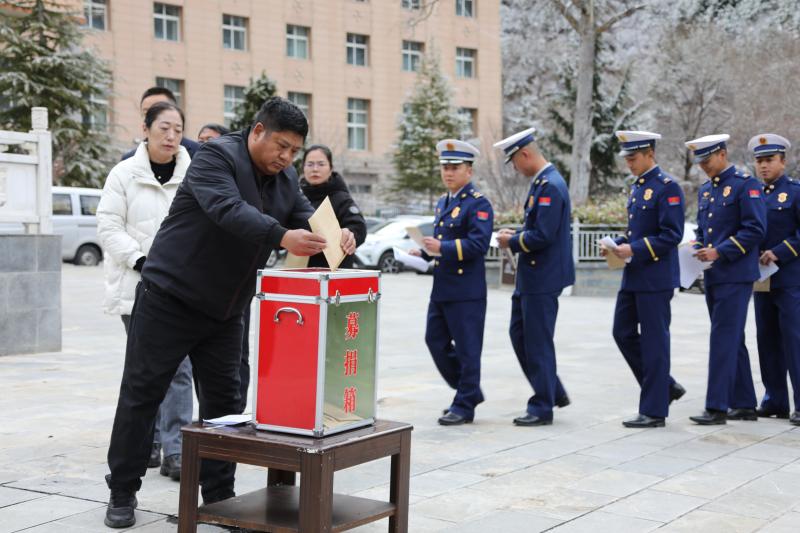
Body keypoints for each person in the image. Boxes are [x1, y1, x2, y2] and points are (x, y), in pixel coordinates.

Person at [103, 97, 357, 528]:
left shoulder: (284, 177)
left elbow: (308, 218)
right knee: (142, 395)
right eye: (281, 145)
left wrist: (341, 237)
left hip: (225, 312)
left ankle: (220, 497)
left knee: (227, 406)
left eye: (294, 150)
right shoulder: (214, 158)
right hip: (169, 299)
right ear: (257, 131)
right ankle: (123, 490)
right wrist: (281, 236)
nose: (286, 157)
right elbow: (227, 210)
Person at [97, 101, 193, 481]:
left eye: (178, 128)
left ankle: (178, 450)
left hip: (183, 289)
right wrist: (140, 261)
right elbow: (107, 226)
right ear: (146, 128)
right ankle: (148, 443)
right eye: (164, 127)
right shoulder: (123, 174)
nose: (171, 136)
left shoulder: (196, 174)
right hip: (136, 286)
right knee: (143, 370)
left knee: (180, 370)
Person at [605, 131, 686, 428]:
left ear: (649, 153)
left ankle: (654, 410)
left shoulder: (668, 188)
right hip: (634, 275)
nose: (629, 164)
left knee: (654, 342)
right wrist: (617, 242)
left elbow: (671, 235)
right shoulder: (638, 188)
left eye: (633, 158)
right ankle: (664, 386)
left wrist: (634, 248)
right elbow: (637, 232)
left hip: (655, 277)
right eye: (626, 158)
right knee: (621, 332)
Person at [409, 139, 493, 425]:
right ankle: (468, 391)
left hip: (466, 290)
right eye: (445, 167)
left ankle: (465, 403)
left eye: (454, 167)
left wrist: (441, 248)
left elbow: (479, 245)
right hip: (442, 287)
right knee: (435, 340)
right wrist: (421, 251)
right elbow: (440, 242)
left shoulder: (478, 204)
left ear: (468, 171)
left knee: (468, 349)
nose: (448, 172)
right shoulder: (445, 201)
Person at [494, 128, 574, 426]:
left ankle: (542, 406)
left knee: (537, 341)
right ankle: (552, 390)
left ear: (525, 154)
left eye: (514, 161)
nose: (515, 168)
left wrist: (511, 242)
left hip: (543, 277)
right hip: (532, 277)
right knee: (520, 335)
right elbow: (537, 228)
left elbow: (543, 234)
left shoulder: (551, 185)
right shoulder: (541, 183)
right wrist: (514, 234)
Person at [686, 134, 765, 425]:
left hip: (736, 274)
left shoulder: (746, 186)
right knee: (732, 338)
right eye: (700, 163)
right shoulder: (707, 191)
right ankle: (744, 403)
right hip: (714, 274)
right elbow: (703, 230)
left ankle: (717, 406)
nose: (704, 167)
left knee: (722, 337)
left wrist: (720, 251)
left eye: (707, 161)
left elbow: (755, 228)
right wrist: (697, 246)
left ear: (722, 153)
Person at [748, 133, 800, 426]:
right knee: (766, 339)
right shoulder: (754, 194)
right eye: (759, 161)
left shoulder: (795, 192)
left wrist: (779, 252)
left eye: (769, 160)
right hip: (761, 280)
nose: (763, 166)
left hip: (790, 278)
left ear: (783, 161)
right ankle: (775, 400)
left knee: (794, 340)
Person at [300, 144, 368, 268]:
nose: (315, 169)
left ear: (331, 169)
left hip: (334, 273)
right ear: (303, 168)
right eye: (310, 164)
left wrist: (348, 236)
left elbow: (359, 227)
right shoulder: (297, 197)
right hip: (300, 272)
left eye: (321, 164)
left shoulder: (341, 198)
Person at [121, 87, 200, 160]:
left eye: (158, 110)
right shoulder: (130, 159)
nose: (152, 116)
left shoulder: (199, 153)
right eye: (146, 113)